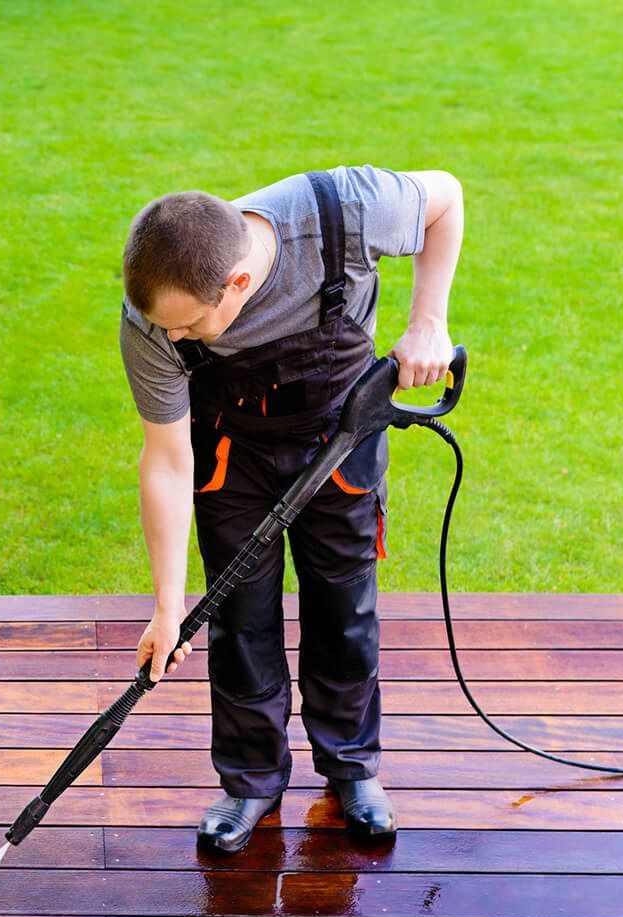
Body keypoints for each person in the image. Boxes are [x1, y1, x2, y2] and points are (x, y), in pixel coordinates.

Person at [119, 164, 463, 854]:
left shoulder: (346, 209)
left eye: (189, 327)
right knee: (238, 619)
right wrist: (164, 606)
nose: (176, 339)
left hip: (340, 435)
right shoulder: (152, 321)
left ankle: (352, 770)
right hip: (229, 450)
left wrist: (428, 322)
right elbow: (165, 458)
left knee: (344, 608)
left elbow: (445, 196)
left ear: (237, 283)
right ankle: (248, 782)